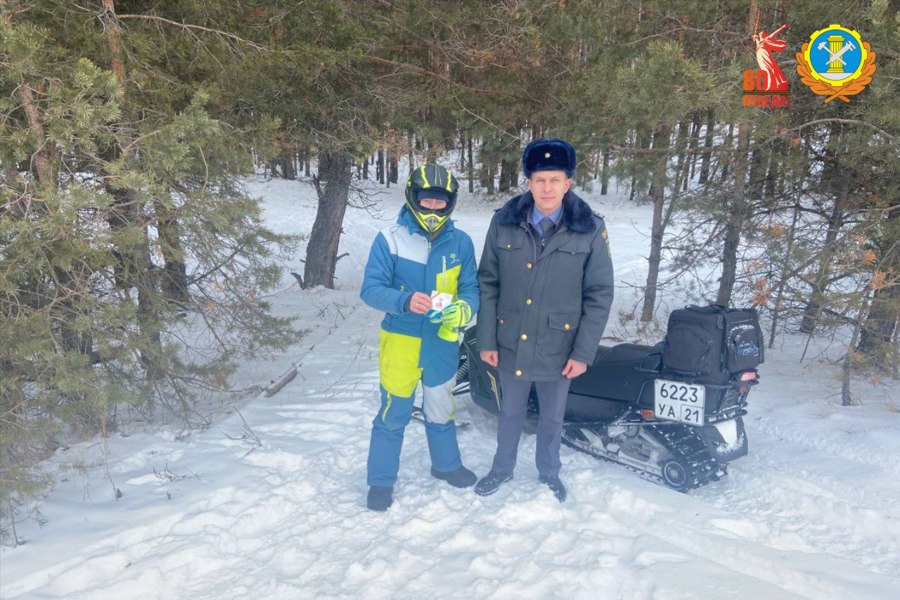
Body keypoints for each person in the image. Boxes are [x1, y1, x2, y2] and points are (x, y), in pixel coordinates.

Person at [474, 138, 614, 503]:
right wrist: (486, 340)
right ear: (529, 182)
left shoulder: (589, 229)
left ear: (568, 183)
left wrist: (583, 353)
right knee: (510, 413)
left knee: (552, 418)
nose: (547, 188)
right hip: (510, 341)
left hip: (559, 345)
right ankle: (501, 468)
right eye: (540, 180)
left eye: (555, 179)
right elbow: (487, 283)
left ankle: (549, 471)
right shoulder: (504, 224)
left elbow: (599, 295)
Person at [360, 163, 480, 511]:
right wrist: (403, 300)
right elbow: (370, 290)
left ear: (450, 203)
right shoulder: (390, 239)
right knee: (393, 411)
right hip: (401, 340)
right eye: (425, 201)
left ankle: (446, 465)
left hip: (442, 340)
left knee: (441, 407)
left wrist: (465, 310)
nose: (432, 208)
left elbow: (472, 289)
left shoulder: (461, 242)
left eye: (439, 202)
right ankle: (380, 481)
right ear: (413, 198)